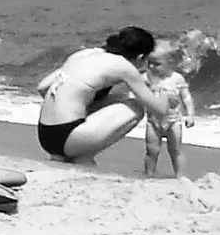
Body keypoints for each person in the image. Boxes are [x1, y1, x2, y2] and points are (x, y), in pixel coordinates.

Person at [34, 27, 170, 164]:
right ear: (140, 57)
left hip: (45, 136)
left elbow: (42, 87)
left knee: (119, 97)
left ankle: (70, 151)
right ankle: (84, 156)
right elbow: (159, 109)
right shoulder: (123, 66)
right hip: (67, 136)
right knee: (136, 106)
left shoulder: (84, 54)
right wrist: (162, 85)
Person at [142, 42, 197, 178]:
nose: (151, 67)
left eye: (157, 64)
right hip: (153, 121)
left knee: (175, 150)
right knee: (152, 150)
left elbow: (187, 98)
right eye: (149, 63)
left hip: (173, 121)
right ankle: (149, 173)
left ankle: (179, 175)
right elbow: (138, 94)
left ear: (170, 63)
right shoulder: (147, 78)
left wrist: (190, 115)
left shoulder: (177, 78)